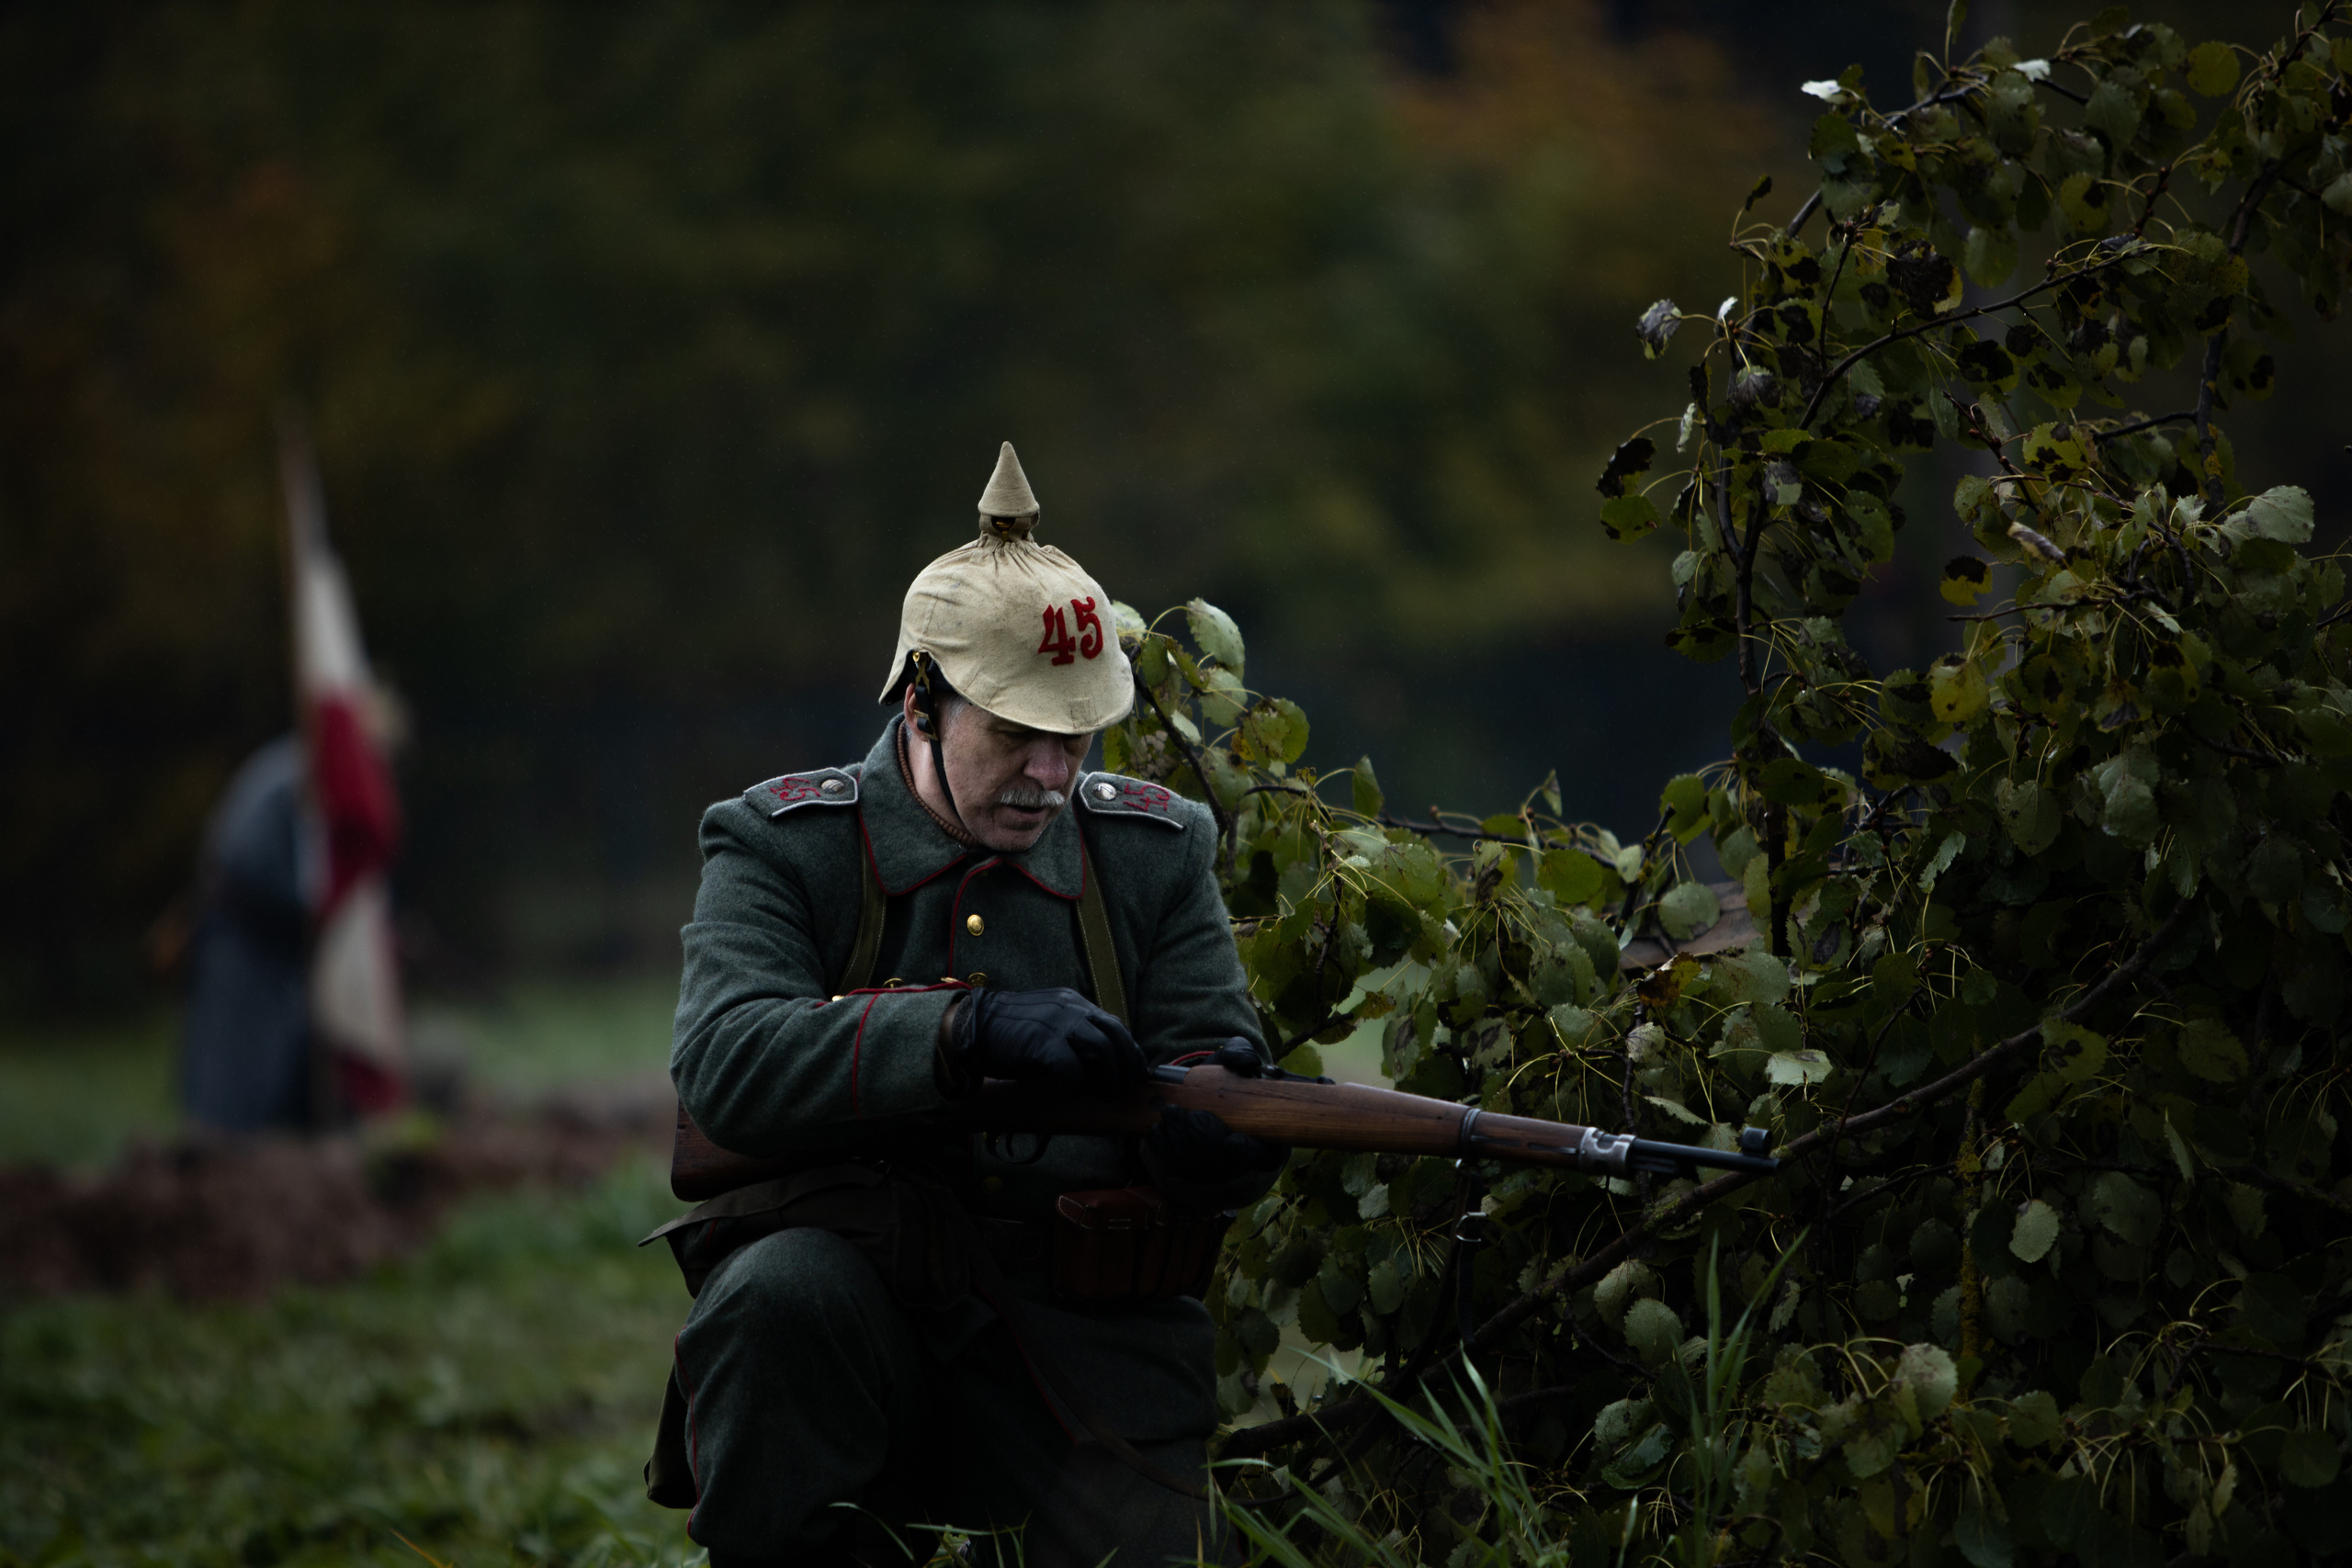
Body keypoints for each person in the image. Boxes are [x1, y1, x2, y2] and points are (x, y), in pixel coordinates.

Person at [655, 444, 1283, 1565]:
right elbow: (726, 1064)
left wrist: (1215, 1135)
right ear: (920, 702)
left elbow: (1209, 1052)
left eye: (1073, 735)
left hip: (1083, 1351)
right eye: (1014, 734)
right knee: (776, 1297)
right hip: (850, 1331)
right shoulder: (780, 844)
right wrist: (959, 1030)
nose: (1050, 773)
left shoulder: (1152, 851)